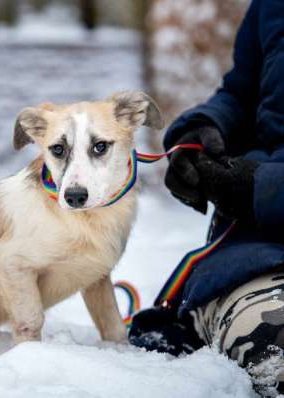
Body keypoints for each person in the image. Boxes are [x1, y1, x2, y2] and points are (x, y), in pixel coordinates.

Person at [128, 0, 284, 395]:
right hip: (259, 255)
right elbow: (241, 92)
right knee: (269, 340)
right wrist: (203, 127)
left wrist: (261, 188)